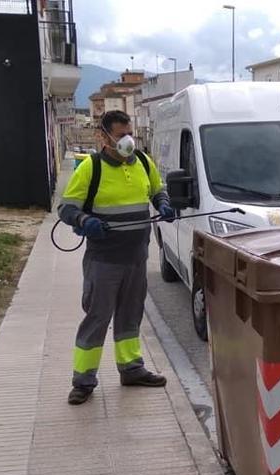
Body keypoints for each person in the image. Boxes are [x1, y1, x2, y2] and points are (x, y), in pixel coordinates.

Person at [58, 110, 176, 405]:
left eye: (129, 133)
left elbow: (157, 191)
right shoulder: (91, 168)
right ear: (104, 136)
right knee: (97, 317)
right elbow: (66, 208)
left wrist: (163, 205)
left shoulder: (144, 163)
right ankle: (83, 381)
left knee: (130, 316)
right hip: (104, 260)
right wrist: (85, 222)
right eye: (121, 134)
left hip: (137, 257)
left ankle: (131, 369)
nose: (128, 140)